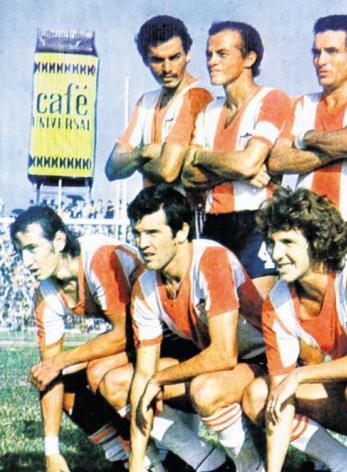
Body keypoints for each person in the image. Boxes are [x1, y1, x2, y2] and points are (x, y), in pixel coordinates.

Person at [241, 188, 347, 472]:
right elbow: (280, 398)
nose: (276, 254)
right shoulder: (277, 301)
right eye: (271, 242)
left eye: (288, 242)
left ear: (316, 241)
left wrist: (300, 375)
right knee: (260, 396)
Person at [127, 185, 267, 472]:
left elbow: (224, 354)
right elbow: (144, 374)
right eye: (137, 233)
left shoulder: (210, 260)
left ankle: (251, 468)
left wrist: (158, 379)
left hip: (264, 361)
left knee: (206, 390)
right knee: (120, 383)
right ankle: (209, 464)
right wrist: (136, 460)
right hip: (222, 365)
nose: (143, 243)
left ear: (181, 232)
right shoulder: (145, 286)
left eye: (153, 233)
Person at [10, 206, 152, 471]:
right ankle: (121, 455)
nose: (26, 261)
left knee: (98, 372)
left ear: (59, 240)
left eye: (32, 248)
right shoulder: (45, 293)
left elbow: (123, 333)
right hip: (138, 334)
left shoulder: (99, 258)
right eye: (21, 252)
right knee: (57, 377)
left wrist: (62, 360)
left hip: (169, 333)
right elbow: (49, 370)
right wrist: (51, 450)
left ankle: (159, 455)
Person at [182, 21, 292, 297]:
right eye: (209, 54)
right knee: (214, 308)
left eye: (222, 54)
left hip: (257, 220)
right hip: (214, 222)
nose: (211, 61)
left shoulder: (271, 99)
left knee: (257, 309)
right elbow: (189, 176)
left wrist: (200, 156)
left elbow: (248, 163)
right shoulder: (209, 111)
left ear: (249, 58)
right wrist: (239, 169)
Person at [268, 15, 347, 252]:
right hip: (306, 225)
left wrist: (305, 138)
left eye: (332, 52)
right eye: (316, 53)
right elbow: (277, 161)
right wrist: (338, 145)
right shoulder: (303, 104)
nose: (321, 61)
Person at [105, 15, 213, 190]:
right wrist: (145, 152)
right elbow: (111, 169)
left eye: (174, 57)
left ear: (188, 54)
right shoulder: (146, 102)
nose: (167, 68)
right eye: (157, 60)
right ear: (145, 60)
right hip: (151, 204)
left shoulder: (197, 96)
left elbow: (167, 171)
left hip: (185, 205)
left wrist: (133, 161)